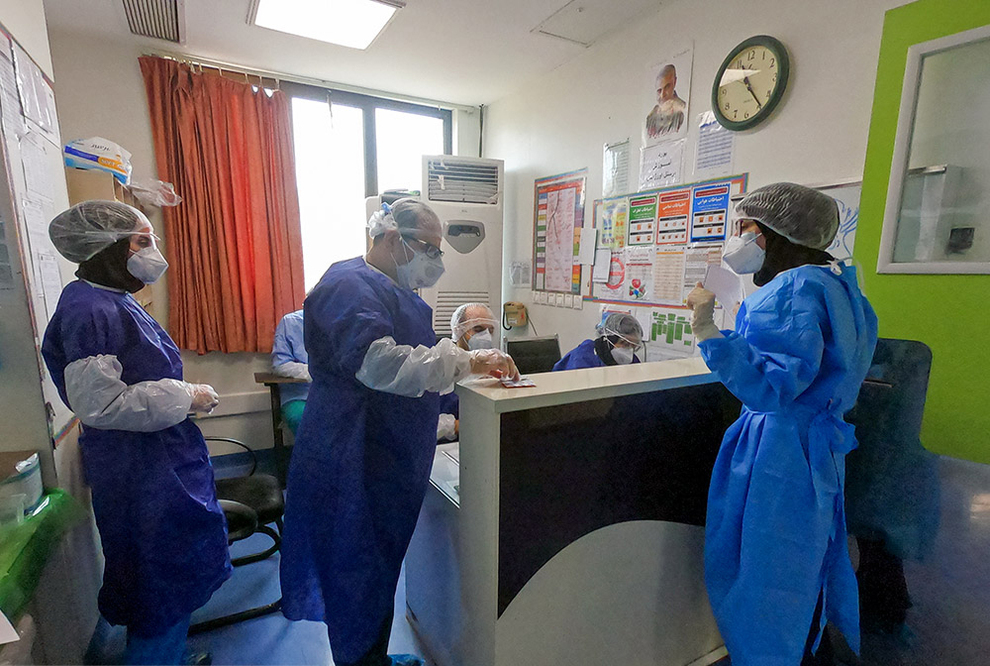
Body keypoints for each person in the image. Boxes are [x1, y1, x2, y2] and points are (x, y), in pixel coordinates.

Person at [279, 199, 519, 666]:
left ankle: (374, 659)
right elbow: (381, 363)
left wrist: (461, 366)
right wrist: (466, 360)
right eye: (430, 249)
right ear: (392, 239)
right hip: (353, 450)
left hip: (384, 450)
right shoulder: (348, 285)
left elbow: (415, 357)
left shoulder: (391, 289)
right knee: (355, 570)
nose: (438, 261)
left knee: (379, 568)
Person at [686, 183, 878, 665]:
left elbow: (773, 386)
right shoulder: (841, 287)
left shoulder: (791, 290)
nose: (739, 238)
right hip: (818, 448)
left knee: (764, 576)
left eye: (746, 228)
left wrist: (707, 331)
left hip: (780, 451)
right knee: (804, 567)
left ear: (775, 233)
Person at [41, 201, 231, 666]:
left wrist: (183, 395)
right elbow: (101, 405)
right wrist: (187, 395)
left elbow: (134, 378)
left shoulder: (114, 299)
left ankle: (168, 654)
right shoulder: (89, 309)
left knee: (172, 570)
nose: (153, 252)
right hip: (140, 468)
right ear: (106, 247)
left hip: (158, 455)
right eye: (142, 242)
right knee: (158, 575)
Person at [437, 302, 499, 441]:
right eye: (478, 329)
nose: (486, 336)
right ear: (458, 331)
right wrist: (454, 426)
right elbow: (422, 422)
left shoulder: (493, 367)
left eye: (490, 330)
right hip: (447, 445)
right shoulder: (441, 365)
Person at [553, 312, 644, 370]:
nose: (628, 351)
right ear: (609, 340)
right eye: (625, 344)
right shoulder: (583, 357)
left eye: (633, 347)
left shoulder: (632, 360)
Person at [272, 309, 310, 435]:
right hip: (300, 395)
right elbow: (281, 365)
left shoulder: (344, 321)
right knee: (304, 420)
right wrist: (315, 372)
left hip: (337, 394)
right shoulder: (290, 322)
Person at [646, 64, 687, 138]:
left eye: (667, 87)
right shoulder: (651, 117)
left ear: (674, 82)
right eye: (659, 90)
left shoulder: (683, 110)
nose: (662, 95)